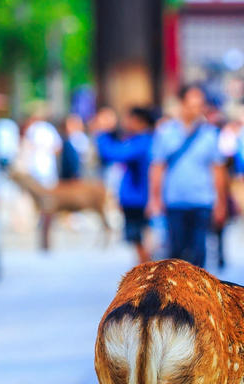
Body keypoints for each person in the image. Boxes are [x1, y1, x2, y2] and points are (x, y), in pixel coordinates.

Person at [148, 84, 226, 268]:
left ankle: (197, 295)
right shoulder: (166, 132)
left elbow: (217, 170)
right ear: (182, 104)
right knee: (175, 254)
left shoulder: (210, 134)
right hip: (175, 201)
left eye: (199, 105)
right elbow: (157, 167)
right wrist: (154, 198)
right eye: (191, 104)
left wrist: (221, 202)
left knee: (199, 253)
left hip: (202, 200)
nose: (195, 109)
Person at [96, 106, 156, 264]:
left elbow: (113, 153)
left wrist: (102, 132)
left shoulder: (142, 142)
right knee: (139, 238)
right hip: (139, 197)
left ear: (138, 121)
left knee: (140, 238)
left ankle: (147, 273)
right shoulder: (145, 140)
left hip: (139, 199)